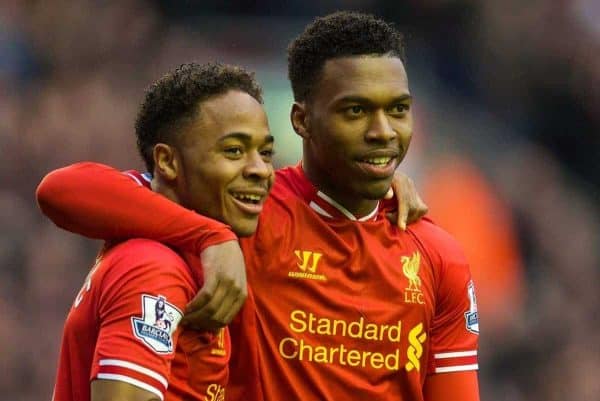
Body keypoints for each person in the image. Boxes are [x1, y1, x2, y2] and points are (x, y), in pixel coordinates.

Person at [38, 11, 476, 401]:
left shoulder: (437, 256)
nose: (383, 131)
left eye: (398, 109)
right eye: (356, 111)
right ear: (301, 121)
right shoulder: (246, 212)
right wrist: (212, 237)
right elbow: (64, 190)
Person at [45, 62, 275, 401]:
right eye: (233, 151)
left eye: (266, 152)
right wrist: (211, 236)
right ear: (167, 162)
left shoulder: (193, 231)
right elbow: (60, 189)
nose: (260, 169)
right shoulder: (153, 267)